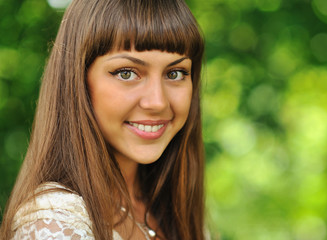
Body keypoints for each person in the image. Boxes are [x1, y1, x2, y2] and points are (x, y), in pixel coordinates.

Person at [0, 0, 205, 239]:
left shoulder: (169, 206)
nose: (158, 102)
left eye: (175, 73)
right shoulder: (56, 221)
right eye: (126, 73)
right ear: (78, 81)